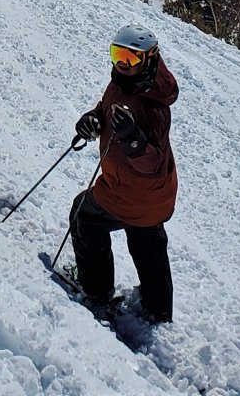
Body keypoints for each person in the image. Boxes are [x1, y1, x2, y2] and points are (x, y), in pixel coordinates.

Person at [70, 23, 178, 322]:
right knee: (147, 239)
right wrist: (93, 119)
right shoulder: (125, 82)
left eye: (130, 59)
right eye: (117, 55)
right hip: (155, 198)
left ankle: (96, 291)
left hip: (134, 191)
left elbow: (152, 166)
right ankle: (158, 309)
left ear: (150, 58)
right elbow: (108, 108)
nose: (122, 64)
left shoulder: (153, 105)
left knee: (84, 215)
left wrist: (133, 140)